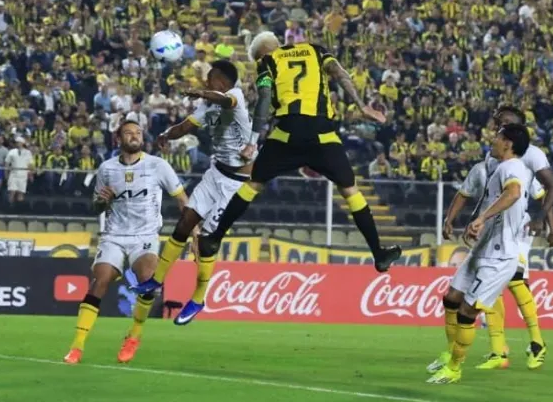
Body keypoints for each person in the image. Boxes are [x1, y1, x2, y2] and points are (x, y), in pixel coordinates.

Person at [197, 32, 401, 273]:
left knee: (253, 184)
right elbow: (339, 73)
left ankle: (215, 238)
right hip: (323, 134)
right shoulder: (316, 51)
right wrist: (361, 105)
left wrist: (253, 141)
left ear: (263, 53)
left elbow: (264, 100)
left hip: (287, 134)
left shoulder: (267, 63)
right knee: (350, 190)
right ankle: (378, 252)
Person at [129, 60, 251, 336]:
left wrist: (202, 93)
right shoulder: (208, 105)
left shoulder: (236, 96)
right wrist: (165, 135)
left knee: (208, 240)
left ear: (222, 79)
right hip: (215, 173)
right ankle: (155, 281)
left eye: (211, 79)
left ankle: (198, 299)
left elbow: (224, 100)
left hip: (236, 184)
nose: (207, 83)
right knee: (185, 222)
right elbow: (186, 126)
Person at [437, 106, 553, 372]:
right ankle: (498, 350)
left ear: (516, 130)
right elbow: (474, 189)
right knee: (488, 290)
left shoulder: (530, 156)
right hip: (492, 231)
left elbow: (544, 191)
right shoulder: (494, 159)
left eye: (503, 124)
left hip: (519, 229)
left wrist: (548, 223)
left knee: (513, 279)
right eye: (497, 124)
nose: (496, 128)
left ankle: (536, 342)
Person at [64, 120, 189, 365]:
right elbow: (96, 206)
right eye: (128, 133)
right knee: (100, 281)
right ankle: (76, 347)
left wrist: (194, 231)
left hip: (145, 236)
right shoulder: (107, 169)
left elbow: (182, 199)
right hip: (114, 235)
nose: (134, 136)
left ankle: (134, 335)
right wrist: (103, 200)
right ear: (118, 139)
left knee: (149, 282)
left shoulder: (157, 165)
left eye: (138, 133)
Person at [428, 124, 533, 385]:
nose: (493, 140)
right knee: (451, 299)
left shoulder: (513, 167)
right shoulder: (497, 168)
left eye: (498, 137)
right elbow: (487, 201)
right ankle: (449, 353)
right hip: (483, 249)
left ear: (508, 144)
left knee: (467, 311)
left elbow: (514, 193)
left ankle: (454, 368)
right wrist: (476, 225)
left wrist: (482, 218)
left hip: (499, 258)